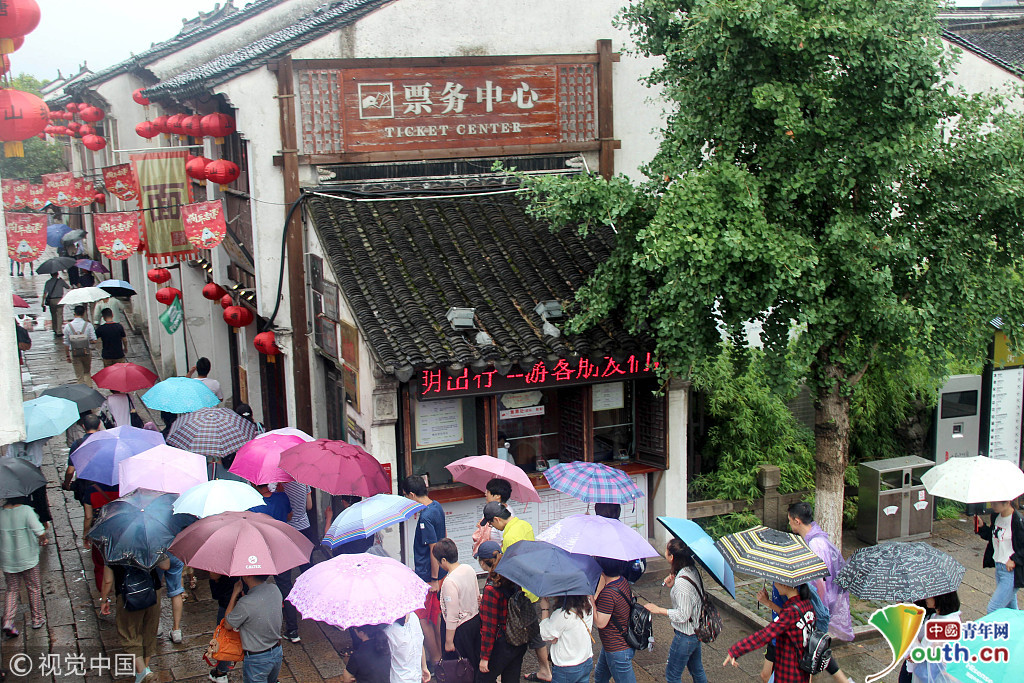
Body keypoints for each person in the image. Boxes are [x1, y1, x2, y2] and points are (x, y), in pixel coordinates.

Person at [481, 501, 551, 683]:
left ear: (497, 519)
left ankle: (541, 669)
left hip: (520, 593)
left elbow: (509, 570)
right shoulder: (524, 525)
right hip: (531, 587)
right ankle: (545, 669)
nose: (492, 527)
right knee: (533, 631)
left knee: (522, 632)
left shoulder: (510, 537)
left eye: (491, 523)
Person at [724, 582, 816, 683]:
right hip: (801, 671)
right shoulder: (806, 604)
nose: (774, 586)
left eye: (776, 582)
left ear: (784, 584)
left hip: (789, 673)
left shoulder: (790, 612)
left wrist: (736, 650)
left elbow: (764, 635)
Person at [787, 502, 854, 641]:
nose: (789, 524)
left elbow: (820, 581)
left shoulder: (815, 544)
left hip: (820, 602)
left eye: (790, 520)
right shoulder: (815, 539)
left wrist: (820, 608)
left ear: (797, 521)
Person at [643, 539, 707, 683]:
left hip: (685, 635)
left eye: (667, 550)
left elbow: (683, 614)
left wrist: (659, 610)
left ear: (671, 557)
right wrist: (674, 580)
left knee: (672, 675)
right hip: (695, 631)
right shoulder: (691, 570)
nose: (665, 552)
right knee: (697, 670)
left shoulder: (682, 583)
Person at [99, 557, 171, 683]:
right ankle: (144, 671)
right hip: (152, 590)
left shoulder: (112, 550)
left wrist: (104, 600)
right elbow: (165, 566)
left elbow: (108, 580)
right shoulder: (151, 545)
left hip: (127, 594)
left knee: (129, 633)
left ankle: (142, 671)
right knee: (149, 631)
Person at [403, 475, 446, 664]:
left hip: (428, 577)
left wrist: (433, 579)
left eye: (406, 496)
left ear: (412, 495)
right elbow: (443, 538)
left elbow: (433, 549)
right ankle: (442, 656)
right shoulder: (437, 506)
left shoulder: (425, 517)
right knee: (436, 616)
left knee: (423, 618)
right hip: (440, 572)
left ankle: (436, 659)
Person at [0, 496, 48, 637]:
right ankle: (36, 619)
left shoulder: (1, 513)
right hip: (28, 558)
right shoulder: (26, 510)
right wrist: (43, 539)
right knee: (33, 587)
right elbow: (39, 531)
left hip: (8, 559)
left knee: (12, 589)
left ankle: (8, 621)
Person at [224, 575, 284, 683]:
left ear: (248, 576)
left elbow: (228, 624)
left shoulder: (246, 603)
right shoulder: (274, 589)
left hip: (257, 659)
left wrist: (234, 594)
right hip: (277, 651)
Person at [478, 562, 529, 683]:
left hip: (502, 643)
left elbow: (489, 627)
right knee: (512, 678)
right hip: (518, 638)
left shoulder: (491, 590)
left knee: (483, 679)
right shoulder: (515, 582)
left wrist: (485, 657)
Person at [432, 538, 480, 664]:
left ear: (443, 560)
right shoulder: (469, 569)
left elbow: (452, 614)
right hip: (475, 621)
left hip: (459, 629)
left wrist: (448, 641)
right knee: (473, 662)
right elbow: (477, 596)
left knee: (459, 667)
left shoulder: (450, 582)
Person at [975, 499, 1024, 613]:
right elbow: (993, 537)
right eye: (991, 503)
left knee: (993, 609)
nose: (992, 505)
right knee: (1011, 609)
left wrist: (1014, 559)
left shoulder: (1017, 520)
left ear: (1007, 502)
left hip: (1011, 572)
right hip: (999, 567)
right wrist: (982, 527)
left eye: (995, 503)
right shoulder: (996, 516)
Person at [593, 557, 637, 683]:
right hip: (616, 643)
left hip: (617, 649)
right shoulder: (622, 581)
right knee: (600, 677)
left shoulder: (608, 594)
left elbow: (600, 623)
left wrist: (590, 599)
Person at [903, 591, 961, 683]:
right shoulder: (942, 616)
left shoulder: (943, 625)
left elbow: (920, 655)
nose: (926, 597)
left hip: (926, 674)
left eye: (930, 595)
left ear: (940, 598)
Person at [538, 594, 594, 683]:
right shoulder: (587, 605)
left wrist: (545, 609)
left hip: (567, 667)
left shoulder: (563, 614)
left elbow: (544, 634)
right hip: (586, 660)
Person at [595, 503, 646, 583]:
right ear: (618, 511)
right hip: (627, 578)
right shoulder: (628, 532)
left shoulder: (599, 534)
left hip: (609, 579)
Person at [386, 614, 430, 683]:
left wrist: (424, 666)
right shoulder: (390, 630)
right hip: (402, 679)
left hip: (414, 676)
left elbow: (419, 641)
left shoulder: (413, 617)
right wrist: (424, 666)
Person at [473, 478, 514, 551]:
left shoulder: (505, 516)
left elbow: (506, 544)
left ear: (498, 496)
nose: (485, 494)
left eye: (488, 492)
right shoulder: (491, 508)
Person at [63, 304, 97, 385]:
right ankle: (89, 387)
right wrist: (85, 340)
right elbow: (94, 340)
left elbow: (66, 343)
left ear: (74, 313)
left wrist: (67, 355)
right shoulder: (88, 325)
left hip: (74, 352)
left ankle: (81, 387)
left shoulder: (68, 326)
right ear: (84, 313)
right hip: (86, 351)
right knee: (87, 372)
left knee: (79, 375)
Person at [41, 272, 70, 337]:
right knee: (59, 315)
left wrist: (42, 302)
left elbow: (45, 293)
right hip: (60, 300)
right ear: (57, 274)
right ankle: (59, 331)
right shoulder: (60, 281)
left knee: (53, 315)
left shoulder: (48, 282)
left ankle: (55, 328)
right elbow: (68, 287)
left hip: (52, 300)